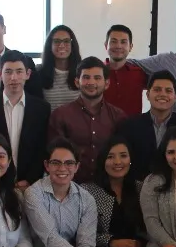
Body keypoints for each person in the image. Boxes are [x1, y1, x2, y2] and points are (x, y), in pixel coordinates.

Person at [24, 140, 99, 247]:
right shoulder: (33, 193)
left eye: (69, 163)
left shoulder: (86, 199)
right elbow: (50, 237)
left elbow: (86, 243)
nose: (62, 168)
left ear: (77, 167)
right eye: (56, 162)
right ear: (46, 165)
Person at [0, 51, 52, 188]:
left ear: (28, 74)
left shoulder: (41, 108)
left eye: (19, 71)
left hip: (29, 184)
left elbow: (42, 148)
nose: (14, 77)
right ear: (0, 75)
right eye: (8, 72)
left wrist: (30, 179)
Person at [47, 56, 127, 184]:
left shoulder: (118, 116)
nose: (91, 82)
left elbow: (123, 156)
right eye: (86, 77)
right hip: (70, 187)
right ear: (77, 82)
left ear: (107, 83)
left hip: (107, 187)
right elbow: (55, 157)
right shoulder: (60, 115)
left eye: (97, 78)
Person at [82, 135, 149, 247]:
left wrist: (140, 242)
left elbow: (151, 226)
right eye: (110, 157)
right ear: (102, 161)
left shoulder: (142, 188)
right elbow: (82, 234)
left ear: (130, 160)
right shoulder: (88, 190)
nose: (118, 162)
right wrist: (111, 242)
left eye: (123, 156)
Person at [118, 71, 176, 180]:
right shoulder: (129, 126)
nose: (162, 94)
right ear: (147, 95)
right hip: (137, 189)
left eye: (168, 91)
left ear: (175, 97)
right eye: (157, 90)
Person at [31, 24, 84, 110]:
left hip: (76, 123)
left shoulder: (82, 72)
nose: (61, 45)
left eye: (66, 41)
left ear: (72, 45)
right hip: (48, 123)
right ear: (50, 45)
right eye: (56, 41)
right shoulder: (39, 72)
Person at [103, 24, 148, 117]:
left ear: (130, 47)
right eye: (113, 41)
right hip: (103, 130)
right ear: (105, 45)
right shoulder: (96, 73)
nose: (118, 46)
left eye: (123, 42)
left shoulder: (139, 73)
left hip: (133, 129)